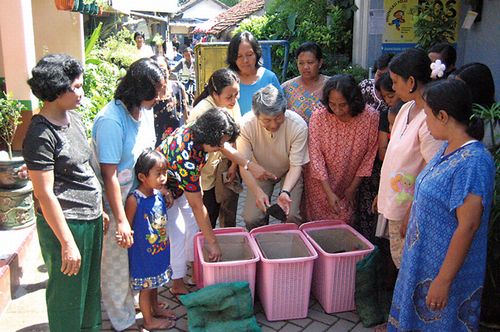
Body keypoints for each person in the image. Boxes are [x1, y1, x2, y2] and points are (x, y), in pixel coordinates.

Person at [388, 79, 495, 331]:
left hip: (444, 269)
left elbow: (468, 226)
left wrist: (443, 280)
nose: (425, 121)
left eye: (427, 115)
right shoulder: (447, 148)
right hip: (422, 261)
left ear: (443, 116)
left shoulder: (474, 162)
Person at [24, 54, 103, 331]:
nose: (81, 92)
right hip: (66, 225)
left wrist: (100, 209)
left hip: (90, 219)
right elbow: (44, 194)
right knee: (67, 300)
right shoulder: (40, 134)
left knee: (91, 295)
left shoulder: (75, 120)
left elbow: (84, 168)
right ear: (58, 90)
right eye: (76, 87)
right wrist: (67, 242)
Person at [158, 108, 270, 295]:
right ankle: (177, 284)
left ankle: (195, 273)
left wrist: (249, 165)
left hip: (181, 185)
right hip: (164, 190)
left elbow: (225, 148)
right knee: (177, 235)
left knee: (193, 230)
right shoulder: (186, 156)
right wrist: (212, 242)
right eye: (218, 144)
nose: (221, 148)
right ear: (209, 138)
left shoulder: (199, 132)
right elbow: (197, 206)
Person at [92, 58, 163, 331]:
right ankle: (122, 321)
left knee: (137, 257)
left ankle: (131, 304)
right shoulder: (111, 121)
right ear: (139, 89)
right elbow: (109, 174)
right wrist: (120, 219)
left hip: (139, 198)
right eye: (154, 91)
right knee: (117, 262)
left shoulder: (144, 112)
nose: (159, 97)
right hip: (115, 202)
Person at [377, 48, 443, 269]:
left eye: (396, 82)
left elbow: (432, 172)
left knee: (409, 266)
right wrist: (383, 192)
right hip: (396, 203)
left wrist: (411, 213)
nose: (393, 87)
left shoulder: (430, 119)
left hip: (408, 209)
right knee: (400, 261)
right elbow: (395, 157)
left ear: (412, 81)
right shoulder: (405, 108)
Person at [303, 75, 379, 223]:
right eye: (332, 104)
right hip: (320, 184)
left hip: (350, 182)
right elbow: (316, 157)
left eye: (343, 105)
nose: (337, 110)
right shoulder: (319, 117)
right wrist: (328, 192)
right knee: (318, 226)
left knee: (346, 220)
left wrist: (352, 188)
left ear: (354, 100)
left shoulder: (370, 117)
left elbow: (369, 156)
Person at [237, 84, 309, 230]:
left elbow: (296, 166)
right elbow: (243, 165)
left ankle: (292, 247)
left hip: (289, 171)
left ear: (284, 110)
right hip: (260, 171)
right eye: (266, 120)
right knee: (252, 218)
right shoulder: (245, 125)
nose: (273, 124)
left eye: (278, 118)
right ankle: (261, 244)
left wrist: (285, 192)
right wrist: (258, 193)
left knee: (292, 215)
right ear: (256, 115)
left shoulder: (298, 125)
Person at [125, 149, 176, 331]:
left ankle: (155, 307)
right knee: (146, 288)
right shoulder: (135, 199)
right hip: (143, 255)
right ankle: (148, 320)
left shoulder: (158, 194)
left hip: (158, 250)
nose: (163, 178)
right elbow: (128, 227)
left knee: (155, 284)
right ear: (142, 176)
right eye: (158, 174)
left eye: (165, 173)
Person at [190, 68, 242, 228]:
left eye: (236, 94)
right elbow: (213, 146)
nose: (234, 100)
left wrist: (234, 165)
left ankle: (222, 243)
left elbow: (236, 135)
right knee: (207, 215)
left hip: (222, 167)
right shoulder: (201, 111)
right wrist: (246, 163)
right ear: (214, 93)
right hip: (203, 175)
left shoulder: (231, 103)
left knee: (225, 210)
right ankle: (206, 247)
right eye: (229, 97)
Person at [227, 31, 283, 115]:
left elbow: (281, 110)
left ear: (257, 54)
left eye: (249, 55)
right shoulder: (227, 80)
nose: (245, 60)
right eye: (239, 56)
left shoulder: (269, 77)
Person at [282, 41, 329, 124]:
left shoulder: (331, 86)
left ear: (320, 63)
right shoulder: (287, 88)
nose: (305, 67)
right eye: (301, 63)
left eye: (310, 62)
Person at [151, 55, 188, 147]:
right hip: (153, 149)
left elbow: (186, 118)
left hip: (175, 148)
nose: (160, 74)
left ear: (169, 70)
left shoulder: (178, 88)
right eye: (156, 70)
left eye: (163, 70)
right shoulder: (148, 94)